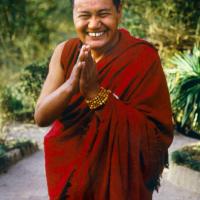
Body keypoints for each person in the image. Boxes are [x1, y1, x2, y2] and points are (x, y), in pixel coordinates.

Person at [34, 0, 173, 199]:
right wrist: (71, 84)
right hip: (68, 182)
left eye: (103, 14)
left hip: (119, 185)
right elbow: (41, 117)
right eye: (84, 15)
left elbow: (155, 139)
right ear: (73, 15)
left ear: (119, 12)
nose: (93, 24)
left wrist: (95, 95)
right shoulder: (65, 52)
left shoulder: (142, 57)